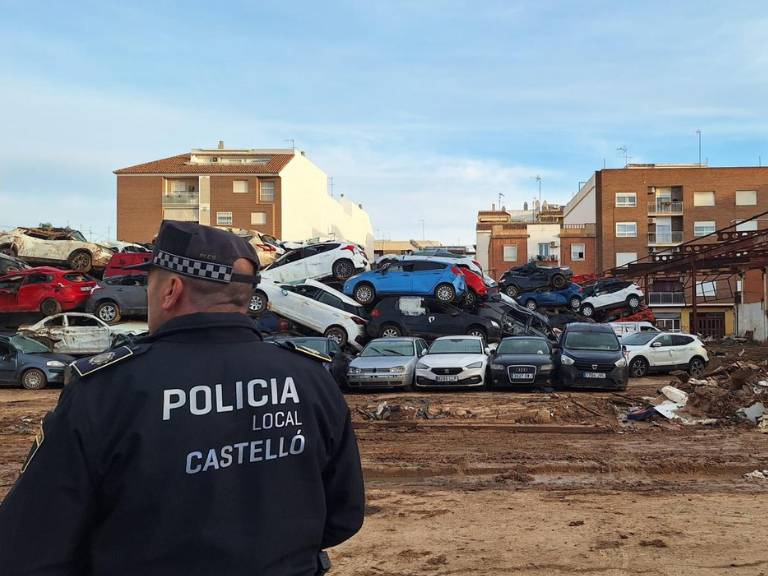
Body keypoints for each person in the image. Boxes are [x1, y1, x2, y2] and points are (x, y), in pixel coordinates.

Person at [0, 221, 365, 575]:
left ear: (171, 289)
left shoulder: (107, 391)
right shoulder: (309, 377)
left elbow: (28, 547)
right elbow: (344, 516)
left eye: (149, 284)